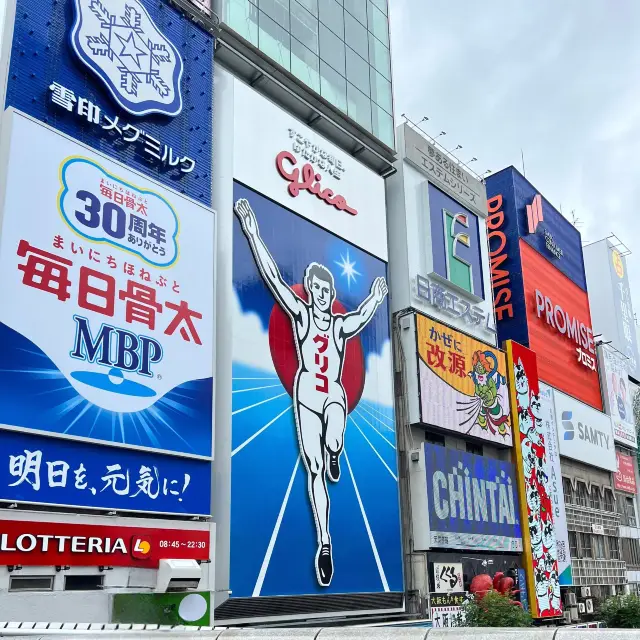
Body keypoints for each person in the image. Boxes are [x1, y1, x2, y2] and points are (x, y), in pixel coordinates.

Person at [234, 198, 388, 586]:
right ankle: (324, 540)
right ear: (311, 290)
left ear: (330, 292)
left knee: (334, 437)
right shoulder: (300, 315)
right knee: (314, 470)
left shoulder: (337, 326)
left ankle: (336, 449)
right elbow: (272, 279)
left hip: (332, 393)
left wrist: (376, 296)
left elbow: (363, 316)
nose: (320, 293)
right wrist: (252, 232)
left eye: (325, 289)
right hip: (305, 394)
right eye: (315, 287)